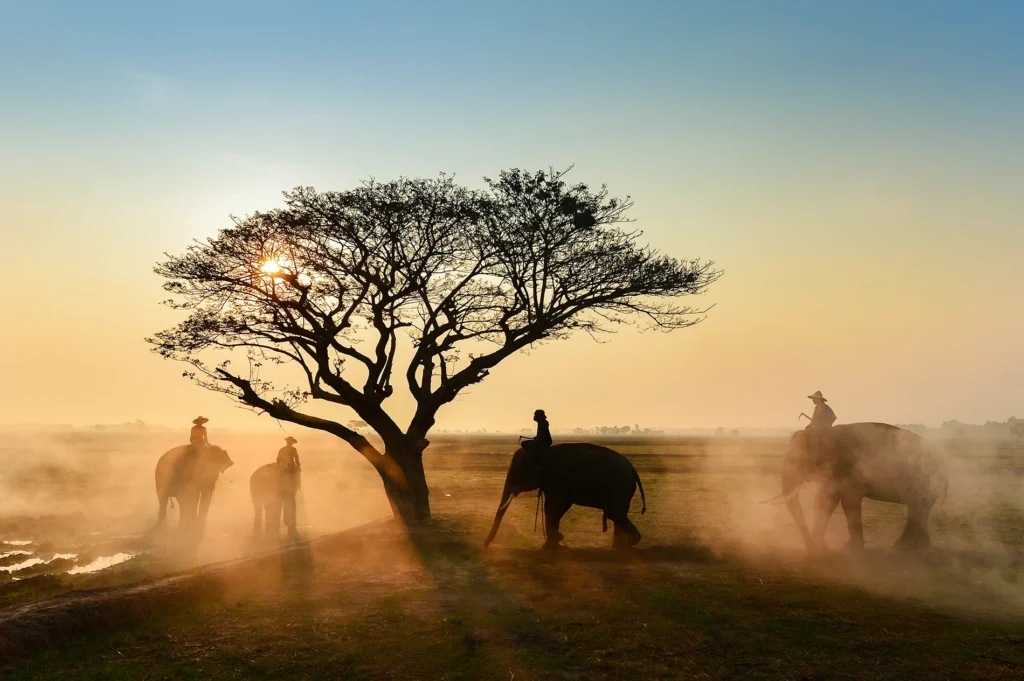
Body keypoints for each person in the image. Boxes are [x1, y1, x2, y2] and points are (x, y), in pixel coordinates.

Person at [172, 417, 209, 494]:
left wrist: (206, 443)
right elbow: (192, 437)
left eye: (201, 421)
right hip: (195, 441)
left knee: (207, 453)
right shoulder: (194, 428)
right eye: (200, 421)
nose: (201, 422)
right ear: (197, 422)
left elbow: (205, 437)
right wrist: (195, 441)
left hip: (201, 442)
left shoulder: (203, 428)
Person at [277, 436, 301, 535]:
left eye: (290, 442)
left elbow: (278, 461)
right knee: (291, 501)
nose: (290, 443)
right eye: (290, 442)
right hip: (288, 471)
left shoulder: (283, 449)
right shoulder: (292, 450)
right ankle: (298, 485)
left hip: (285, 471)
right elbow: (297, 461)